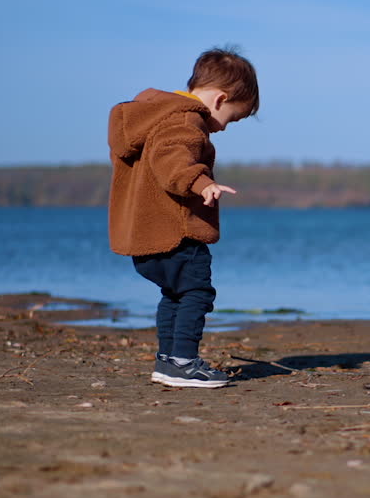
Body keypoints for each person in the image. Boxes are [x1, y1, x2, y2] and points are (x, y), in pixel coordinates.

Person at [107, 46, 259, 388]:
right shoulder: (184, 119)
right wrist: (201, 183)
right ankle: (183, 361)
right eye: (232, 118)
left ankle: (167, 361)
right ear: (219, 100)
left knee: (174, 293)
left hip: (146, 235)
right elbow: (172, 161)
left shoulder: (152, 116)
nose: (224, 128)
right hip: (176, 232)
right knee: (197, 293)